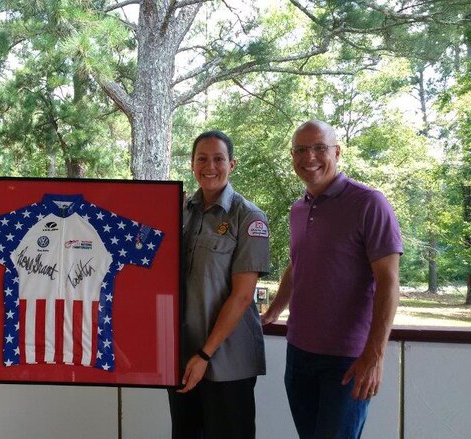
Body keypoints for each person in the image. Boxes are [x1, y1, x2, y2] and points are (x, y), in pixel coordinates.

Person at [261, 120, 402, 438]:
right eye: (300, 149)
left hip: (347, 361)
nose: (309, 156)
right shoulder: (298, 209)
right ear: (293, 157)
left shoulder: (369, 203)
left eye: (319, 147)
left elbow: (389, 283)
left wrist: (374, 355)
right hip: (298, 355)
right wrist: (272, 312)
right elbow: (297, 267)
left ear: (337, 152)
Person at [169, 130, 270, 439]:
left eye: (218, 159)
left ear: (232, 164)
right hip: (183, 357)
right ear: (191, 164)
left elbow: (241, 296)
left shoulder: (249, 217)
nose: (209, 166)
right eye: (202, 159)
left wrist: (204, 356)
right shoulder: (180, 212)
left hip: (226, 362)